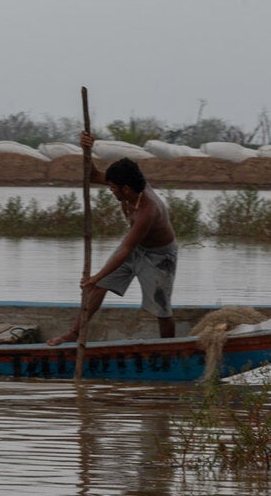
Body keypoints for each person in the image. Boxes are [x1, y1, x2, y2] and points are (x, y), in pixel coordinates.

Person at [48, 131, 178, 345]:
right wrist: (86, 150)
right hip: (136, 247)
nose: (110, 190)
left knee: (161, 307)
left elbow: (125, 249)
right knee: (96, 289)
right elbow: (91, 176)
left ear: (125, 189)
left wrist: (96, 275)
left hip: (160, 256)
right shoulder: (127, 187)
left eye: (112, 188)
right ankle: (74, 333)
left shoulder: (148, 210)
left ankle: (170, 349)